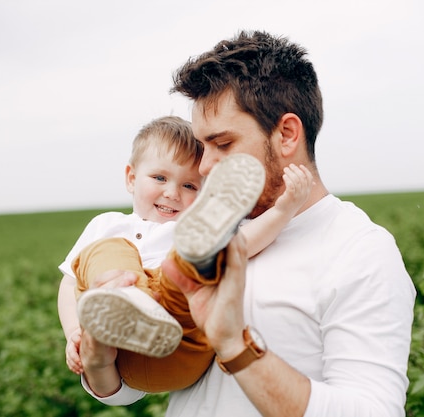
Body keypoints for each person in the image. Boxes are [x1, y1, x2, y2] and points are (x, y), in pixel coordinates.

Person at [75, 30, 417, 417]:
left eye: (222, 145)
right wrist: (98, 358)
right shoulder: (202, 230)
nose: (204, 167)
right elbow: (135, 388)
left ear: (286, 134)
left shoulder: (359, 249)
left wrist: (236, 345)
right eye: (202, 148)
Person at [57, 115, 314, 393]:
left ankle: (145, 299)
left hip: (178, 343)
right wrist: (73, 332)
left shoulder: (188, 230)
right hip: (115, 354)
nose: (172, 193)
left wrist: (283, 210)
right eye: (159, 178)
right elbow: (69, 283)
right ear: (131, 178)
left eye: (189, 186)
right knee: (106, 249)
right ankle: (129, 300)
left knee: (191, 258)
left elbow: (244, 244)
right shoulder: (107, 225)